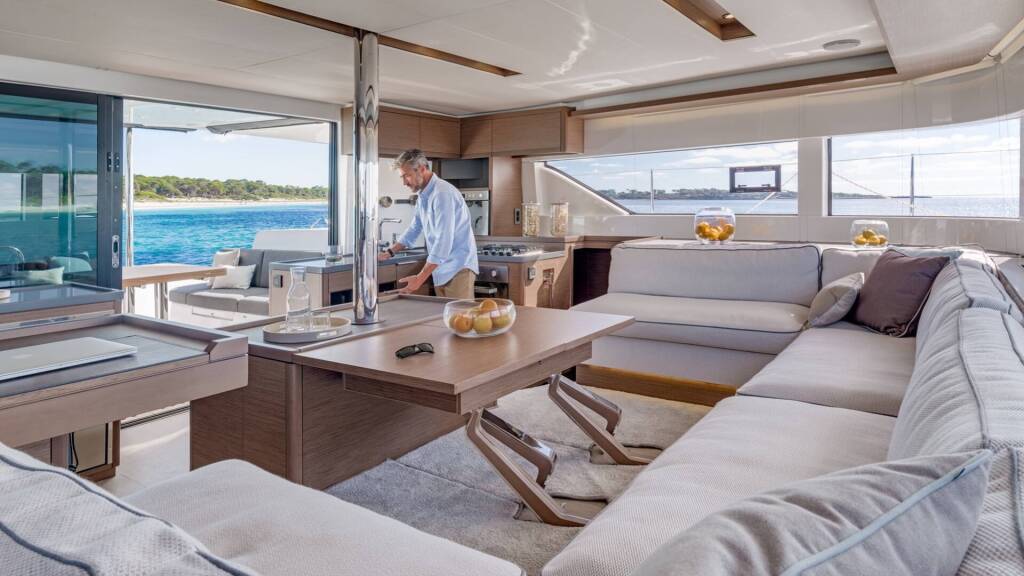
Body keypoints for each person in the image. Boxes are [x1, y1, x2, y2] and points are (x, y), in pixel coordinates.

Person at [379, 149, 478, 299]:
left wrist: (419, 279)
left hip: (458, 268)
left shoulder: (442, 194)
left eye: (407, 176)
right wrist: (390, 252)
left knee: (459, 313)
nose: (404, 182)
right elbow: (415, 228)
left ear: (422, 169)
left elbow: (443, 241)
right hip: (441, 268)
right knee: (442, 314)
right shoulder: (424, 195)